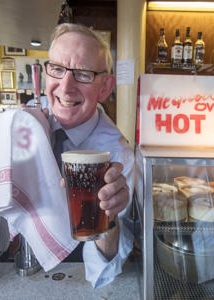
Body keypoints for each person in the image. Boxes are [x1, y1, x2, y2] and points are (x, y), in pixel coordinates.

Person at [43, 23, 135, 288]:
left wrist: (109, 218)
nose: (66, 87)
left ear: (105, 88)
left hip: (73, 278)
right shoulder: (26, 126)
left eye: (82, 74)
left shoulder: (117, 156)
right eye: (57, 69)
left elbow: (105, 270)